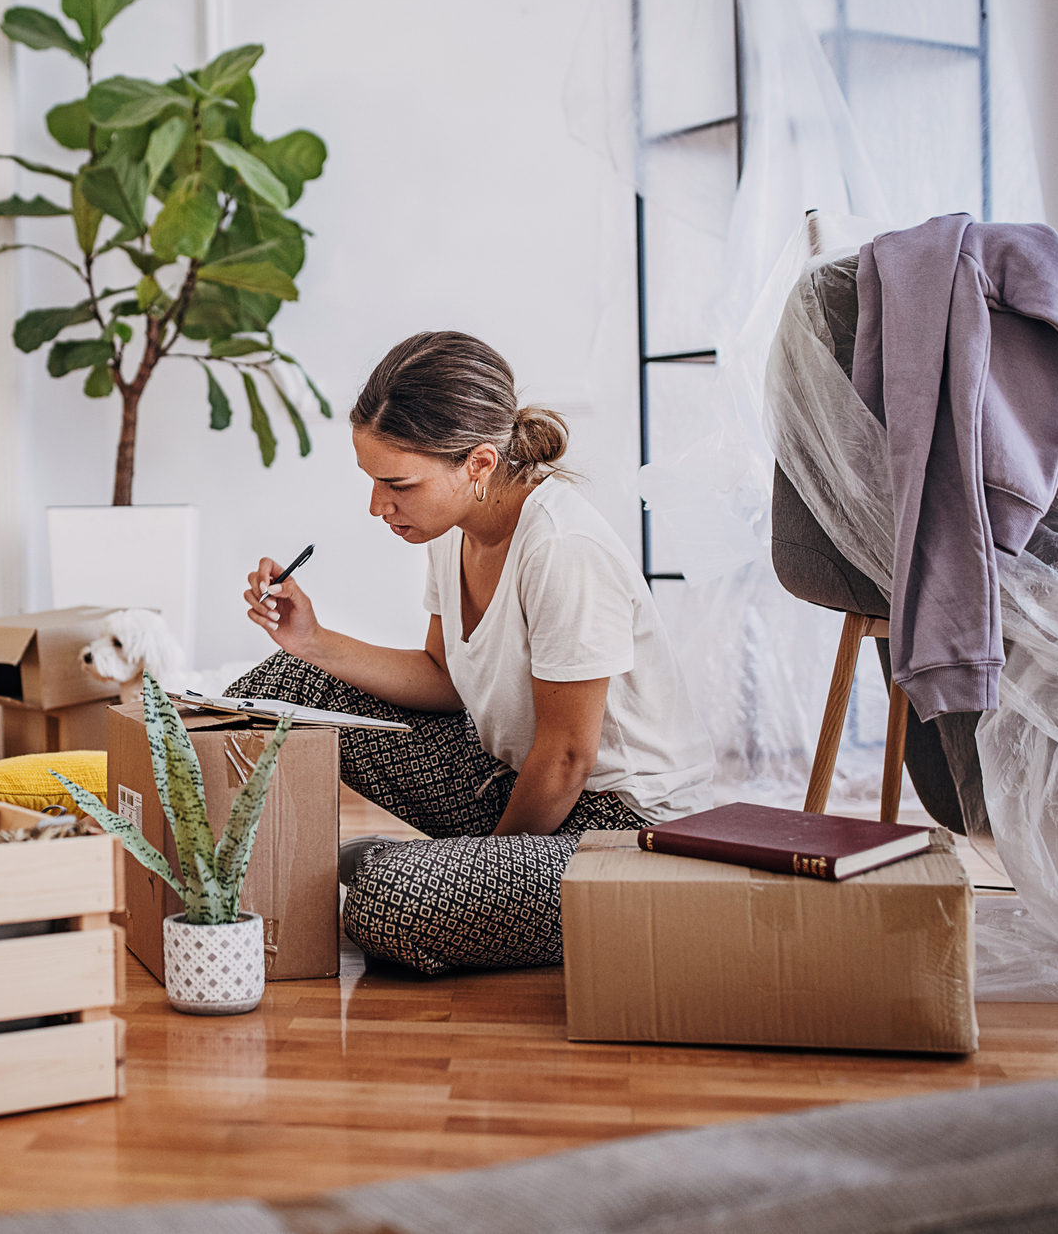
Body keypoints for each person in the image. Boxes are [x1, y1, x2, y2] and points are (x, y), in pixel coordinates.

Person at [229, 331, 713, 973]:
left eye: (397, 483)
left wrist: (481, 874)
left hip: (616, 826)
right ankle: (436, 870)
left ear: (479, 464)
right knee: (280, 684)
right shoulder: (451, 525)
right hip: (512, 779)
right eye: (372, 481)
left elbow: (568, 756)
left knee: (386, 906)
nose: (378, 507)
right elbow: (442, 681)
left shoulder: (563, 548)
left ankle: (425, 875)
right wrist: (312, 641)